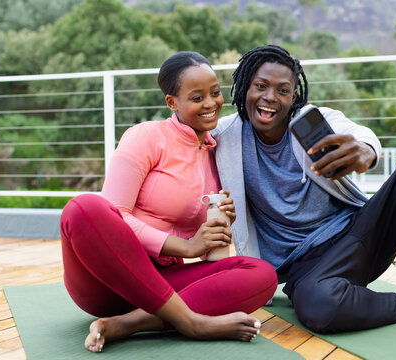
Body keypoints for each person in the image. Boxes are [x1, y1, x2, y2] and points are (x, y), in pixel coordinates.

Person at [211, 45, 396, 345]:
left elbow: (360, 135)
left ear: (293, 97)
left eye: (282, 90)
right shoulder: (224, 138)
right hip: (307, 270)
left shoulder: (312, 120)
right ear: (244, 88)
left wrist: (364, 152)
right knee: (320, 307)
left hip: (360, 234)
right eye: (260, 86)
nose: (269, 98)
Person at [60, 51, 277, 353]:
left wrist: (220, 228)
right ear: (172, 103)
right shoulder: (145, 137)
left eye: (215, 93)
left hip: (165, 282)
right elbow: (115, 213)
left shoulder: (219, 157)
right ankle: (192, 322)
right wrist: (186, 247)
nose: (211, 103)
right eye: (197, 97)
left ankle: (128, 324)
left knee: (262, 273)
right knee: (84, 208)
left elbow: (210, 260)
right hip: (107, 282)